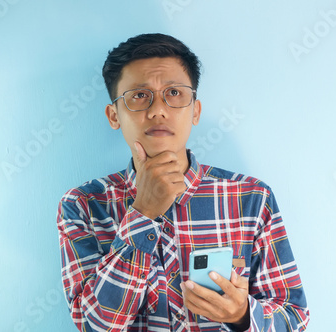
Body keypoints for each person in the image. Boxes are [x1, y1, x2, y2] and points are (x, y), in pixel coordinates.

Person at [57, 33, 309, 331]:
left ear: (196, 111)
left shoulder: (252, 197)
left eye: (174, 93)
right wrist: (143, 213)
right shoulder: (82, 206)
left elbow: (294, 318)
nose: (158, 110)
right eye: (139, 96)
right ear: (114, 115)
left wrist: (242, 315)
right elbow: (93, 325)